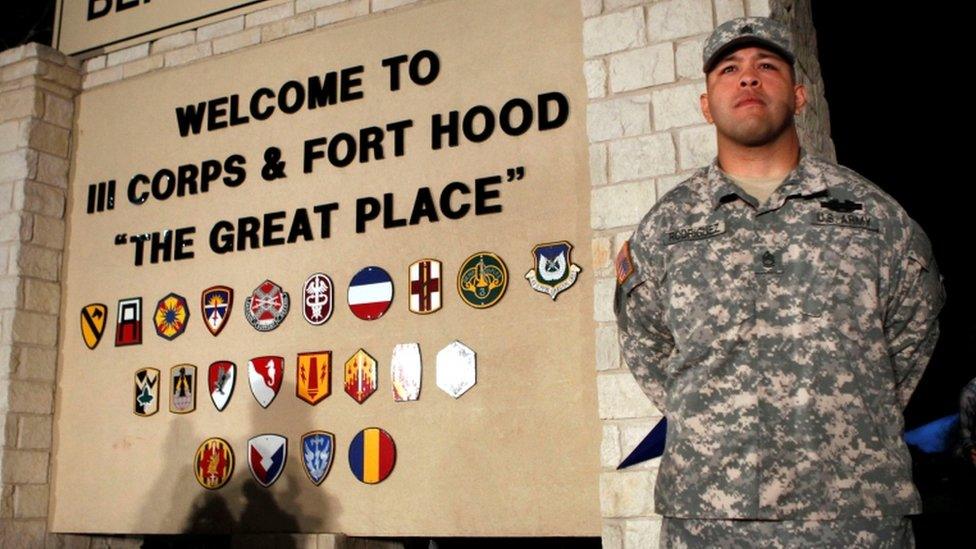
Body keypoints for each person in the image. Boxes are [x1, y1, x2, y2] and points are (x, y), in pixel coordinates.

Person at [613, 16, 946, 547]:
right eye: (729, 69)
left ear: (798, 96)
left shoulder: (874, 215)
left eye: (766, 66)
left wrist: (845, 414)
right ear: (706, 104)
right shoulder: (667, 227)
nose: (748, 78)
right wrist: (718, 418)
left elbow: (911, 335)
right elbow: (647, 345)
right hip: (711, 516)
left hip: (855, 514)